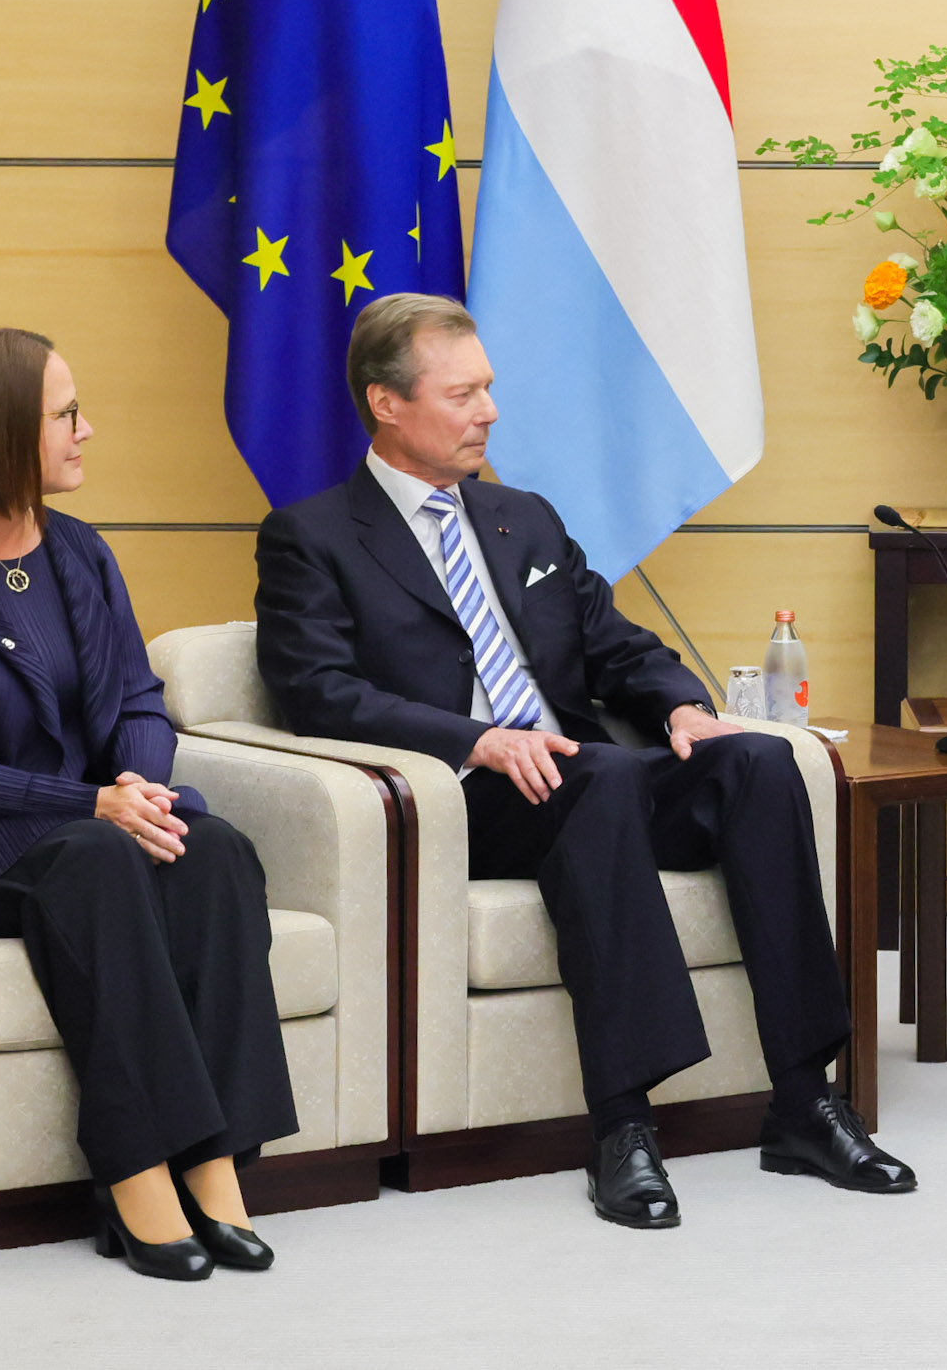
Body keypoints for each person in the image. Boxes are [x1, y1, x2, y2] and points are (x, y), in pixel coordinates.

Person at [254, 293, 912, 1228]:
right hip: (470, 797)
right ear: (387, 404)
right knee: (594, 774)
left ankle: (806, 1101)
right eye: (462, 395)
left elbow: (615, 644)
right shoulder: (312, 536)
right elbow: (318, 692)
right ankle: (622, 1126)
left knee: (759, 764)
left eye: (488, 389)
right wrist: (477, 738)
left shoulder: (522, 517)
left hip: (585, 780)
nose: (489, 412)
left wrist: (682, 706)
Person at [0, 327, 297, 1280]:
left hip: (91, 822)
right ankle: (135, 1177)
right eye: (67, 414)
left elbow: (137, 699)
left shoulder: (79, 550)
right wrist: (90, 803)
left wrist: (139, 788)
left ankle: (214, 1164)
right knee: (100, 857)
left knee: (213, 849)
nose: (89, 430)